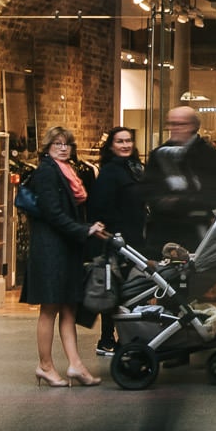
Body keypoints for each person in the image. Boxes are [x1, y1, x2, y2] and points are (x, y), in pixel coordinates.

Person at [21, 126, 108, 388]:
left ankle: (75, 365)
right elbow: (53, 214)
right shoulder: (47, 172)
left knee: (69, 307)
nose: (63, 147)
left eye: (67, 144)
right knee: (49, 309)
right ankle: (45, 365)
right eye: (57, 143)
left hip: (66, 248)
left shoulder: (68, 171)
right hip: (50, 250)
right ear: (47, 146)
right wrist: (86, 230)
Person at [87, 126, 146, 356]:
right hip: (118, 240)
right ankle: (108, 338)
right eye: (120, 141)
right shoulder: (110, 172)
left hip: (134, 239)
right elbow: (100, 206)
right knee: (115, 290)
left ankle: (126, 336)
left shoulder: (135, 169)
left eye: (128, 140)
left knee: (130, 289)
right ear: (111, 146)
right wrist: (113, 232)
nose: (125, 145)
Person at [142, 106, 216, 257]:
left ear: (193, 126)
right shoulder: (159, 154)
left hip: (194, 233)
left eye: (180, 124)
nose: (174, 128)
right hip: (162, 234)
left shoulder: (208, 156)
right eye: (171, 124)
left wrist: (179, 201)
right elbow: (149, 191)